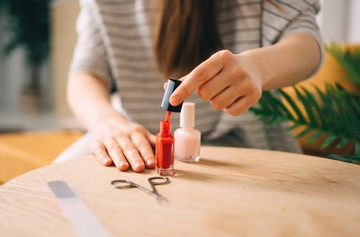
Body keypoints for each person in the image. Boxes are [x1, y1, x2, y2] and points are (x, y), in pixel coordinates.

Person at [55, 0, 323, 173]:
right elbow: (85, 74)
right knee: (58, 189)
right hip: (139, 142)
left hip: (251, 145)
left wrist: (259, 67)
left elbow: (307, 44)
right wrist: (105, 121)